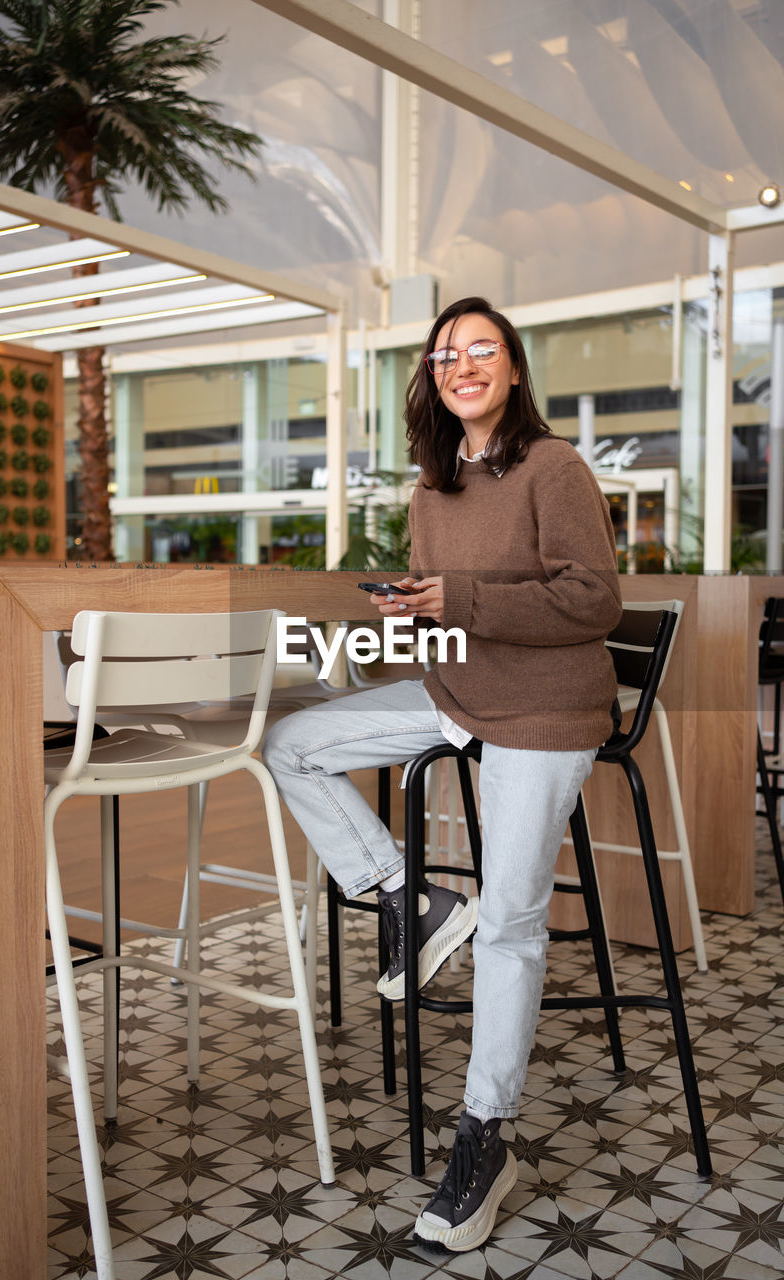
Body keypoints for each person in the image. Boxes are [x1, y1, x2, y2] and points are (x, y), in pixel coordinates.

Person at [262, 296, 622, 1252]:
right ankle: (406, 899)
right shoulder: (430, 490)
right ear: (430, 376)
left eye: (480, 350)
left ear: (511, 368)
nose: (461, 364)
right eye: (444, 354)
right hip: (456, 690)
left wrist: (455, 597)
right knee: (291, 743)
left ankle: (484, 1137)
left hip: (544, 705)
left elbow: (592, 600)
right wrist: (413, 615)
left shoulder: (551, 465)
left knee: (507, 922)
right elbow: (458, 619)